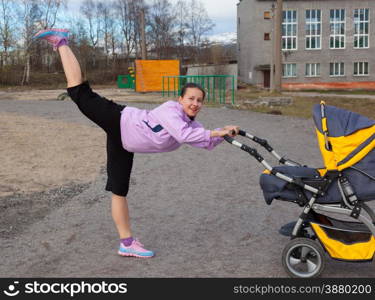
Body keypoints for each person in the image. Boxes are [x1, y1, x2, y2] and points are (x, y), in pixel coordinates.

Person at [33, 28, 239, 258]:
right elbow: (185, 137)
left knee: (119, 190)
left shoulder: (193, 126)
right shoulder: (170, 110)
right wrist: (217, 131)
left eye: (199, 101)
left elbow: (206, 143)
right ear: (180, 99)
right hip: (119, 120)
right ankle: (61, 41)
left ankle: (127, 243)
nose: (195, 103)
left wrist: (223, 135)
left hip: (125, 143)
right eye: (190, 98)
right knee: (79, 92)